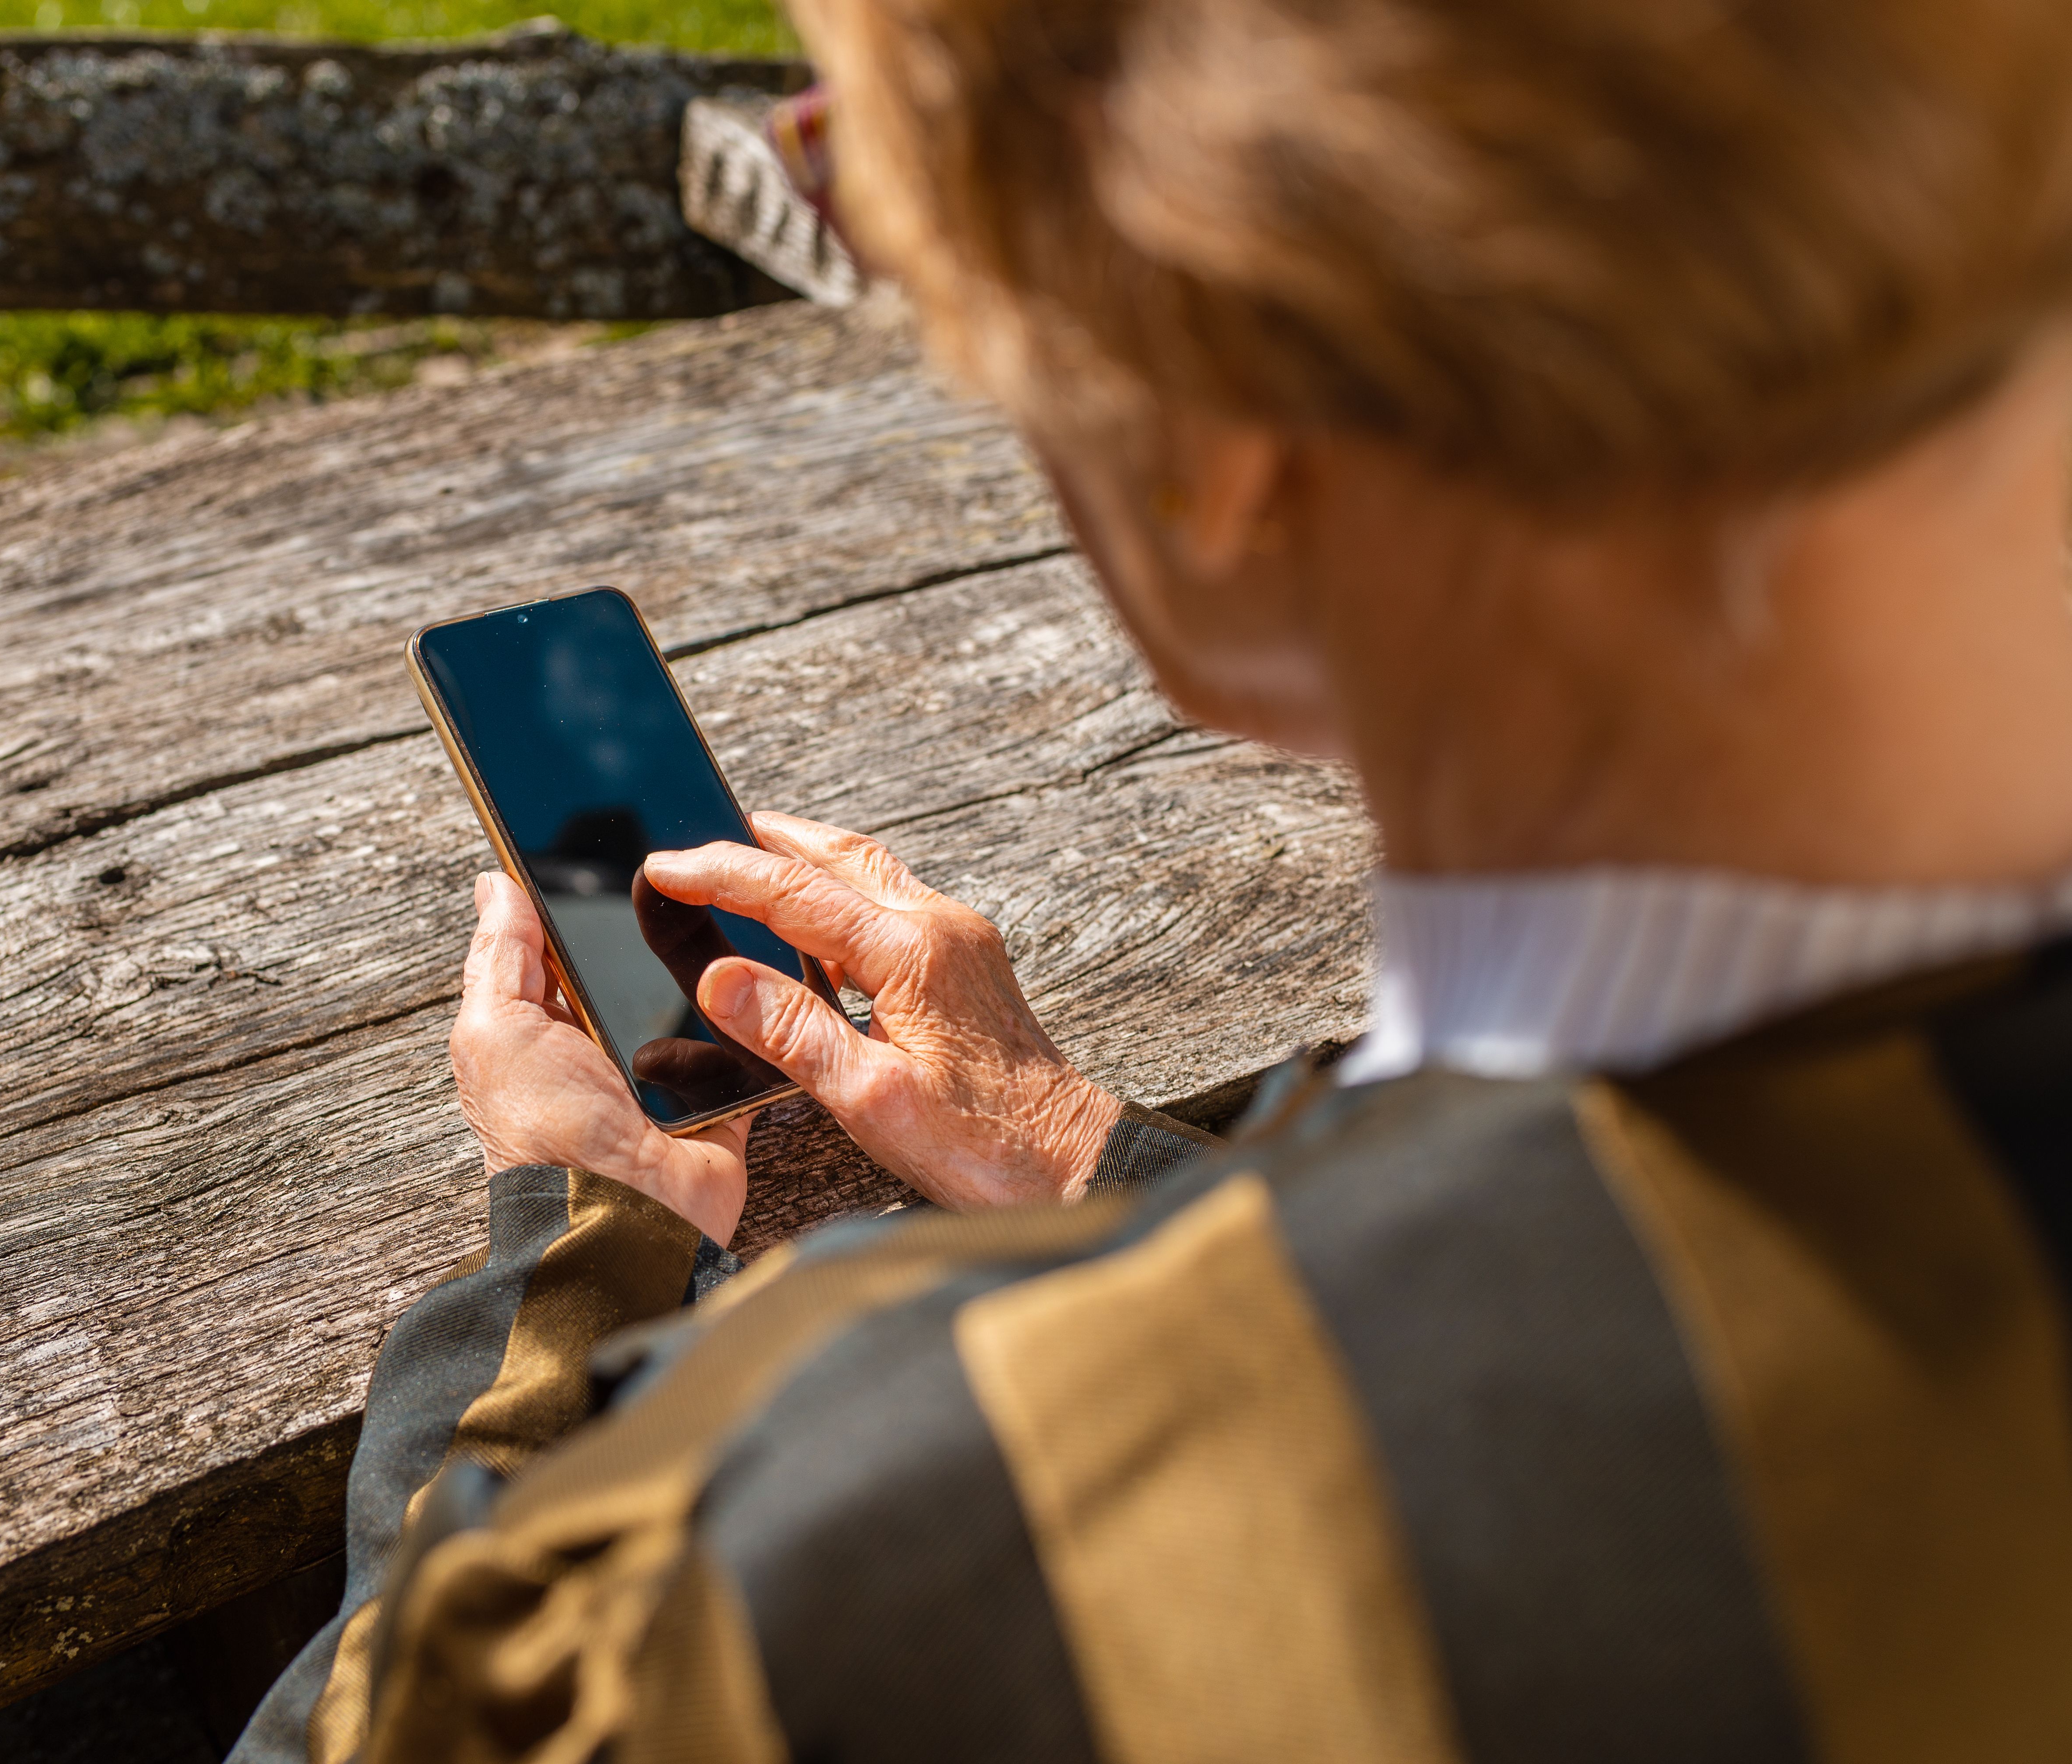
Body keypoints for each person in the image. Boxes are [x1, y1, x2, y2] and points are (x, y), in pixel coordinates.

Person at [235, 0, 2072, 1755]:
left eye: (872, 182)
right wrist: (1088, 1159)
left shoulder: (847, 1553)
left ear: (1210, 430)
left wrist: (567, 1247)